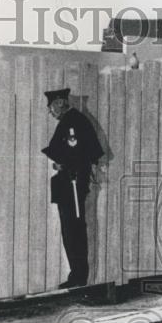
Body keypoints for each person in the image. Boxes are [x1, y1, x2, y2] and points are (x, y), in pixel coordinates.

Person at [41, 88, 104, 289]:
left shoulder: (72, 122)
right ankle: (77, 275)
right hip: (69, 184)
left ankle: (78, 278)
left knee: (73, 231)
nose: (50, 112)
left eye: (51, 107)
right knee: (72, 230)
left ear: (59, 103)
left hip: (72, 184)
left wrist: (63, 165)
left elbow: (76, 154)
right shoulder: (73, 120)